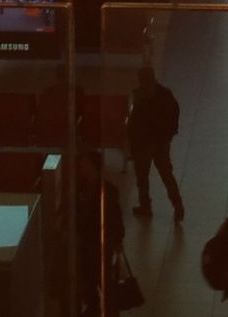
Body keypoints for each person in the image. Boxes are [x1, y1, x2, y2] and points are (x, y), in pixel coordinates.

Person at [126, 64, 184, 223]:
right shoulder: (166, 94)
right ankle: (177, 204)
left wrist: (132, 141)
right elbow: (174, 114)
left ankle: (146, 206)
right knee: (166, 174)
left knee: (142, 177)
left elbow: (134, 122)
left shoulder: (140, 96)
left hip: (144, 143)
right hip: (162, 142)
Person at [74, 150, 123, 317]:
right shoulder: (80, 188)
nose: (81, 166)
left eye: (84, 163)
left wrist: (117, 240)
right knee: (89, 279)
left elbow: (115, 218)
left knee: (100, 280)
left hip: (99, 244)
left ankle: (103, 310)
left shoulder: (107, 191)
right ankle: (95, 307)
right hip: (87, 243)